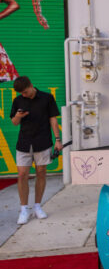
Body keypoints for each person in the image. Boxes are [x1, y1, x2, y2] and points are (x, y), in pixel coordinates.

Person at [10, 76, 61, 225]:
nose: (24, 95)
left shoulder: (47, 98)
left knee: (41, 172)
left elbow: (53, 119)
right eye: (22, 93)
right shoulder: (18, 101)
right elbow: (13, 122)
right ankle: (24, 209)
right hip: (24, 143)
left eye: (25, 92)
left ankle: (38, 206)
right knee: (22, 175)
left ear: (31, 85)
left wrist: (58, 140)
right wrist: (18, 116)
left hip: (43, 141)